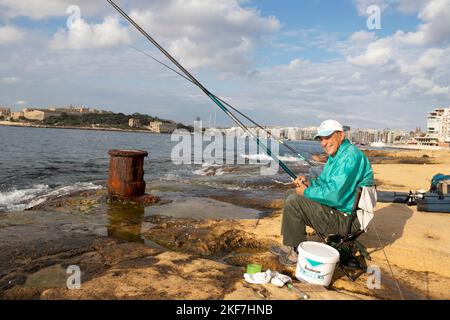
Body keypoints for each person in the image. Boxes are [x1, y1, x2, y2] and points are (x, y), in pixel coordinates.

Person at [271, 119, 374, 265]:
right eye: (321, 139)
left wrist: (306, 193)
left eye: (328, 137)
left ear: (341, 135)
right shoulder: (337, 156)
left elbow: (335, 195)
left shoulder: (351, 156)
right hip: (339, 211)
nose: (324, 143)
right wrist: (308, 182)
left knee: (294, 201)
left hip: (348, 220)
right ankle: (289, 245)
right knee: (291, 194)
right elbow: (324, 184)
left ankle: (297, 252)